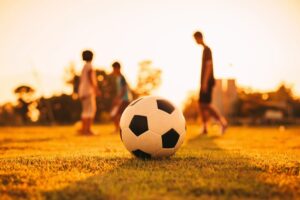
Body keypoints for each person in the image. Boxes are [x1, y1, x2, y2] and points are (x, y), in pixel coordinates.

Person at [194, 31, 228, 134]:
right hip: (204, 81)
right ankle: (205, 127)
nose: (195, 41)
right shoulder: (204, 50)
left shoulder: (207, 50)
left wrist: (204, 82)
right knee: (201, 104)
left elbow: (209, 66)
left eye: (196, 39)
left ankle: (223, 123)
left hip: (207, 82)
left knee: (206, 105)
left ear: (200, 37)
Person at [78, 50, 100, 135]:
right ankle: (87, 130)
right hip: (88, 91)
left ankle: (84, 129)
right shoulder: (89, 66)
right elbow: (90, 78)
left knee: (85, 111)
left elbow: (81, 80)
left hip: (82, 90)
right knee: (91, 110)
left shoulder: (84, 66)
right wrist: (96, 89)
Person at [110, 62, 131, 132]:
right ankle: (119, 129)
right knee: (119, 115)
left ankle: (118, 129)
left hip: (124, 99)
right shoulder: (118, 78)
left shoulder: (121, 77)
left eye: (114, 69)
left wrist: (118, 98)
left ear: (117, 68)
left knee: (115, 114)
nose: (113, 70)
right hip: (123, 99)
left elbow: (124, 89)